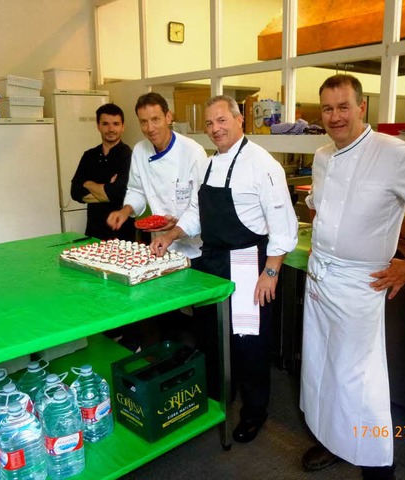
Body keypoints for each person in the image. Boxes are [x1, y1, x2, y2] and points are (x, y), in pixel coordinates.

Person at [299, 74, 405, 479]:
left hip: (360, 283)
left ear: (361, 108)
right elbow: (323, 208)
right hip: (321, 276)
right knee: (322, 366)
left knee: (360, 378)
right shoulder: (321, 155)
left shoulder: (394, 152)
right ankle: (334, 440)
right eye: (328, 108)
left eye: (343, 106)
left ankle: (377, 464)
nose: (335, 116)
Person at [150, 95, 298, 444]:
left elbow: (283, 226)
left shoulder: (263, 165)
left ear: (239, 120)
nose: (215, 129)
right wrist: (171, 235)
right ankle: (218, 398)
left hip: (249, 264)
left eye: (222, 121)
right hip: (212, 260)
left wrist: (271, 271)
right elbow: (195, 213)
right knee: (212, 336)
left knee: (249, 343)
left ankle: (254, 411)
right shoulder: (206, 164)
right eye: (209, 124)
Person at [107, 92, 207, 260]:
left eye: (155, 119)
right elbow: (136, 190)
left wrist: (170, 235)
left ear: (168, 117)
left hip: (193, 250)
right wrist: (125, 211)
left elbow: (199, 209)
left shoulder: (193, 153)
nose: (150, 128)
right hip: (159, 247)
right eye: (143, 122)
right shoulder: (140, 150)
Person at [70, 102, 135, 241]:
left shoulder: (128, 156)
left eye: (116, 124)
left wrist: (87, 184)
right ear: (98, 126)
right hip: (93, 233)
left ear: (123, 127)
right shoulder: (89, 156)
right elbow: (75, 192)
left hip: (121, 235)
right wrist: (106, 189)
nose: (111, 129)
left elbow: (118, 194)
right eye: (105, 124)